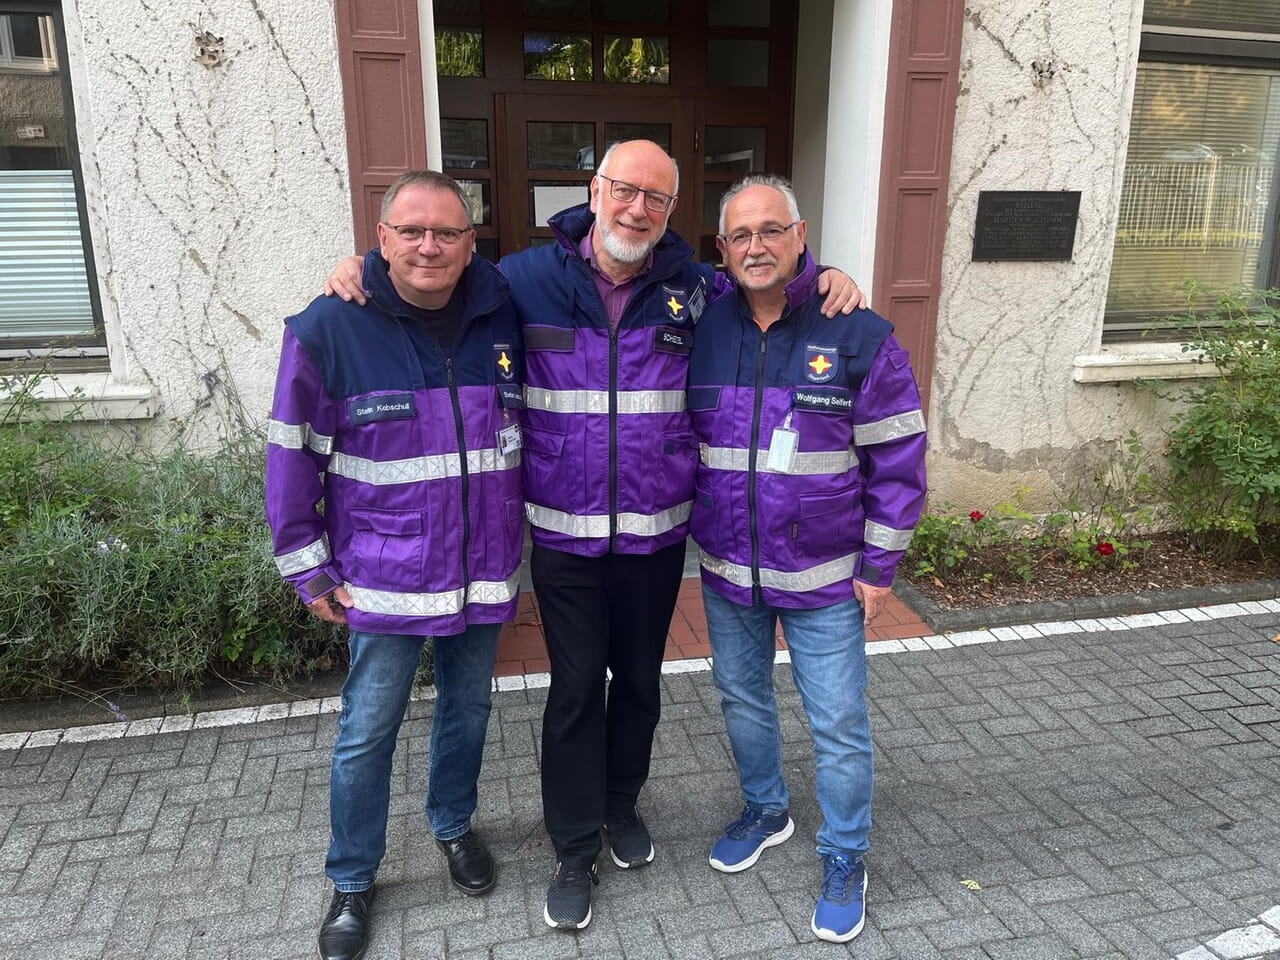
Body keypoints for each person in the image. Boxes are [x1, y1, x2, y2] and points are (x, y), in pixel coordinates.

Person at [322, 141, 864, 930]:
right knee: (575, 693)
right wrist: (358, 273)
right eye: (624, 190)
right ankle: (574, 847)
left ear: (672, 213)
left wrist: (825, 276)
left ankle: (621, 808)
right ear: (596, 189)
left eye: (656, 198)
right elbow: (425, 275)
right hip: (565, 539)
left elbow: (767, 275)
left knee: (639, 686)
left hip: (655, 538)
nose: (637, 209)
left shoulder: (693, 285)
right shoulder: (521, 280)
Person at [266, 170, 524, 960]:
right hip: (383, 576)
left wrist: (821, 272)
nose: (428, 246)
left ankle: (452, 826)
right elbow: (289, 455)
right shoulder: (328, 327)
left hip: (479, 571)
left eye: (446, 232)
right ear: (379, 240)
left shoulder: (502, 309)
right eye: (410, 231)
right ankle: (351, 878)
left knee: (468, 711)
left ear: (470, 242)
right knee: (366, 731)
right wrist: (307, 569)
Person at [686, 174, 926, 943]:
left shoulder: (856, 330)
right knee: (743, 700)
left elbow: (897, 456)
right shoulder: (701, 324)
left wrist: (879, 567)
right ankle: (765, 810)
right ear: (721, 250)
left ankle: (844, 855)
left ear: (799, 235)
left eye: (770, 230)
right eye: (740, 235)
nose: (756, 246)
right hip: (728, 570)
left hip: (825, 578)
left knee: (839, 726)